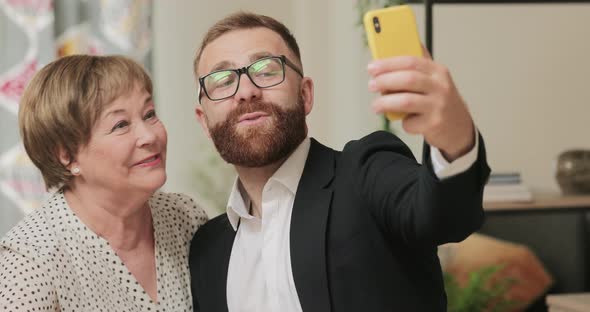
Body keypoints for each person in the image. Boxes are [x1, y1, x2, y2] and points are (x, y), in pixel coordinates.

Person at [189, 12, 489, 312]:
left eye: (267, 70)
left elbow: (445, 216)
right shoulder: (206, 250)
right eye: (222, 80)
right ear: (204, 122)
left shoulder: (365, 172)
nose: (246, 91)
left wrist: (452, 133)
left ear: (305, 95)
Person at [0, 55, 208, 311]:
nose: (149, 135)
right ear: (67, 154)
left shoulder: (184, 217)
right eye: (121, 125)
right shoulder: (31, 261)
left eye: (149, 114)